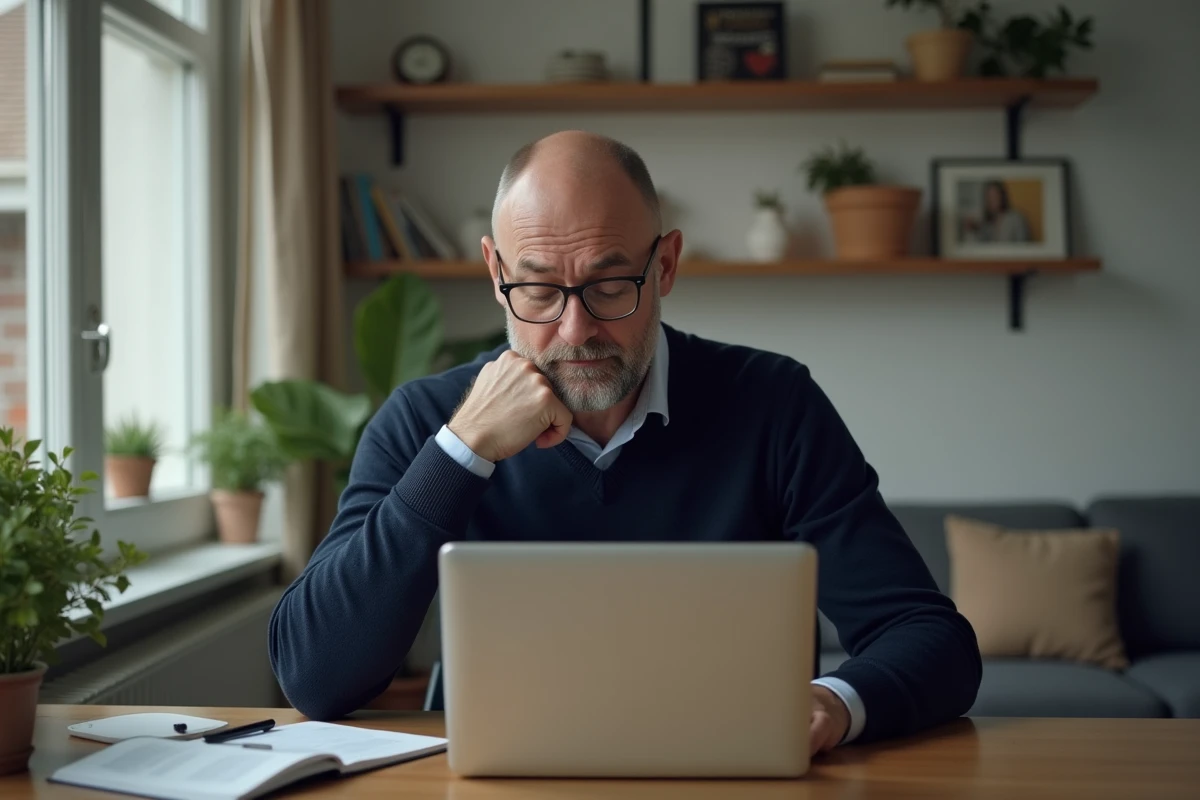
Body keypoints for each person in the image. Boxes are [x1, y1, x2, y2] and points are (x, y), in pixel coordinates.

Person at [269, 131, 981, 755]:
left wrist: (832, 704)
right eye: (540, 291)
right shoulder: (425, 420)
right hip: (500, 781)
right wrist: (462, 452)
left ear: (665, 266)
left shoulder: (773, 404)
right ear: (495, 273)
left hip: (730, 777)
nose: (576, 331)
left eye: (611, 285)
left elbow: (931, 638)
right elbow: (315, 676)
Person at [963, 180, 1032, 243]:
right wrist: (973, 230)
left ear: (1002, 196)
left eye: (995, 195)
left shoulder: (1016, 218)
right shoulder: (987, 224)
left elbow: (1025, 246)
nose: (992, 200)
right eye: (989, 196)